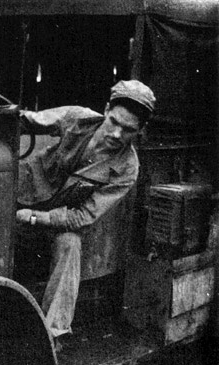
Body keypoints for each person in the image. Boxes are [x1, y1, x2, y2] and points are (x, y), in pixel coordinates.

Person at [15, 80, 156, 347]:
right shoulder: (77, 118)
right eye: (113, 121)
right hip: (19, 197)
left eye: (128, 130)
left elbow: (84, 216)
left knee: (70, 244)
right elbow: (27, 121)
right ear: (105, 109)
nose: (116, 134)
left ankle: (52, 335)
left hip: (51, 223)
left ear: (140, 130)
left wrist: (35, 218)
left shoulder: (127, 169)